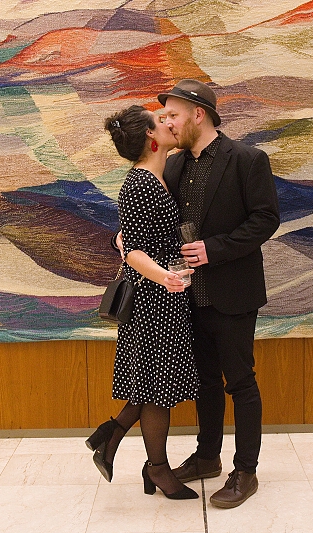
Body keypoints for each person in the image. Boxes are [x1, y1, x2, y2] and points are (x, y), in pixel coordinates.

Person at [159, 79, 281, 508]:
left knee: (240, 382)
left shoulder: (247, 159)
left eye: (173, 115)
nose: (168, 123)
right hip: (188, 296)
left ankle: (245, 471)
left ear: (199, 114)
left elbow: (265, 219)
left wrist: (215, 248)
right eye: (165, 116)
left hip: (233, 292)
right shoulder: (173, 165)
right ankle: (207, 457)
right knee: (205, 382)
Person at [86, 104, 199, 500]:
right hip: (153, 299)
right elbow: (134, 250)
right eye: (161, 120)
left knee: (154, 382)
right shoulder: (139, 183)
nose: (169, 123)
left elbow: (133, 236)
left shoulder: (158, 176)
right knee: (156, 388)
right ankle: (156, 468)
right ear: (151, 136)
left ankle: (112, 435)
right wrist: (165, 275)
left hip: (164, 295)